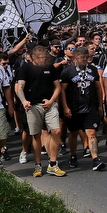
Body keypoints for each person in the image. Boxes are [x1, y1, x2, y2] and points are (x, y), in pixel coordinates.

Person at [15, 45, 66, 177]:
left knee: (56, 130)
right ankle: (38, 165)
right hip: (32, 105)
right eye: (40, 58)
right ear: (32, 58)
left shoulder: (50, 67)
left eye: (44, 58)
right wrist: (24, 101)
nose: (43, 60)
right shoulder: (24, 69)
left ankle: (53, 164)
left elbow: (57, 88)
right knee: (36, 135)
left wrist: (51, 101)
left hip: (49, 104)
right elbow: (19, 87)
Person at [60, 45, 107, 170]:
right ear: (76, 57)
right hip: (74, 108)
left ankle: (95, 159)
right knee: (74, 133)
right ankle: (74, 155)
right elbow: (62, 90)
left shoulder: (92, 69)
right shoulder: (67, 71)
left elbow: (98, 88)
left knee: (91, 133)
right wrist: (65, 107)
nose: (84, 59)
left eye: (86, 57)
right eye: (82, 57)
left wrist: (100, 105)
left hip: (90, 107)